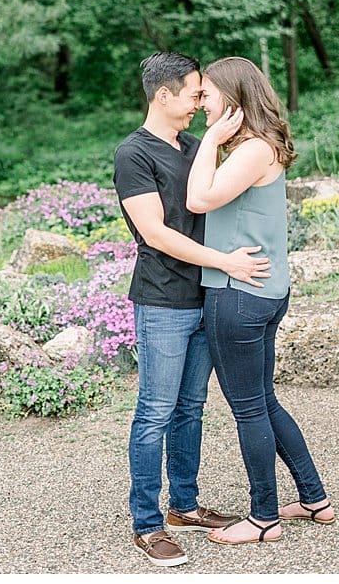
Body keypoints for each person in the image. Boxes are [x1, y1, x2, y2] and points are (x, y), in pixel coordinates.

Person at [113, 52, 272, 568]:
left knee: (190, 409)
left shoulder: (196, 146)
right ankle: (147, 523)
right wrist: (224, 260)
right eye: (194, 94)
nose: (200, 103)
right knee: (155, 411)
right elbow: (155, 234)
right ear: (164, 95)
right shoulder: (132, 155)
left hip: (208, 298)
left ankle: (183, 506)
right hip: (162, 301)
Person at [185, 56, 334, 545]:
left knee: (248, 408)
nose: (202, 102)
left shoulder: (250, 151)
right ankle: (313, 498)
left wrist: (208, 140)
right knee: (263, 402)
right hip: (262, 293)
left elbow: (198, 200)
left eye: (207, 94)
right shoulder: (259, 147)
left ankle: (262, 516)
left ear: (233, 98)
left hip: (238, 296)